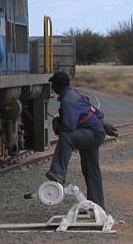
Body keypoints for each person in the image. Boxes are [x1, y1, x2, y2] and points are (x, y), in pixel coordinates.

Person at [45, 70, 107, 210]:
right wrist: (105, 124)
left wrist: (58, 125)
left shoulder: (67, 101)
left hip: (91, 133)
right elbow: (94, 110)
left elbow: (69, 127)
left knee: (66, 138)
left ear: (58, 86)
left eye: (53, 84)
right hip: (94, 132)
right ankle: (98, 207)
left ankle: (58, 172)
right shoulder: (75, 94)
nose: (52, 87)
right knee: (91, 171)